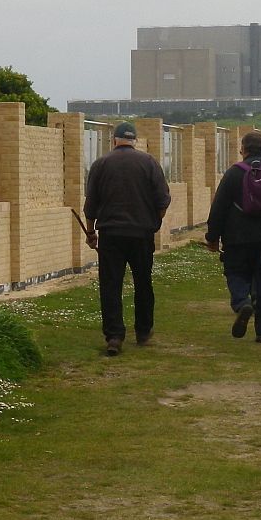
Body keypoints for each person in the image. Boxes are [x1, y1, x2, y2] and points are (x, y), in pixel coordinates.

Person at [83, 121, 171, 356]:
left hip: (111, 234)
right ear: (135, 141)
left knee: (111, 285)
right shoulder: (149, 162)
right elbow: (163, 201)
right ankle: (143, 330)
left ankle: (114, 336)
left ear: (114, 140)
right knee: (143, 282)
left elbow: (91, 204)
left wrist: (91, 233)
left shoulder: (101, 164)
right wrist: (154, 222)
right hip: (141, 234)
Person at [205, 132, 261, 343]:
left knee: (236, 273)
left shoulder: (234, 173)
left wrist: (212, 237)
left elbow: (219, 207)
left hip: (236, 237)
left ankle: (242, 303)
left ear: (243, 149)